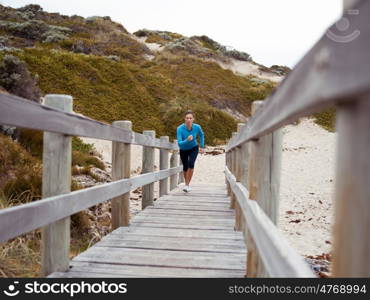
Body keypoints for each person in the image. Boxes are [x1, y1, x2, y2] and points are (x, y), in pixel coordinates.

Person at [176, 110, 205, 192]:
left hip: (194, 148)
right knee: (185, 167)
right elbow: (180, 143)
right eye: (187, 118)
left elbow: (202, 135)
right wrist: (187, 140)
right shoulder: (180, 129)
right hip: (183, 149)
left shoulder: (197, 127)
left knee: (191, 164)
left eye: (190, 118)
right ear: (184, 119)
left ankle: (187, 185)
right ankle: (186, 183)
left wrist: (202, 146)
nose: (188, 119)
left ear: (193, 119)